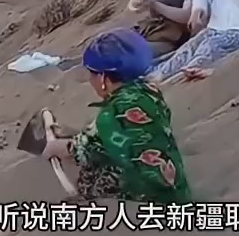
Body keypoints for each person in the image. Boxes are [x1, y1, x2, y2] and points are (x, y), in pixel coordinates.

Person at [42, 28, 192, 203]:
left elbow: (82, 150)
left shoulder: (111, 114)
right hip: (174, 187)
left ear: (103, 79)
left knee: (91, 174)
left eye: (92, 74)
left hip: (145, 199)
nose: (90, 80)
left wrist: (54, 148)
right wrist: (73, 133)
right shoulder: (150, 92)